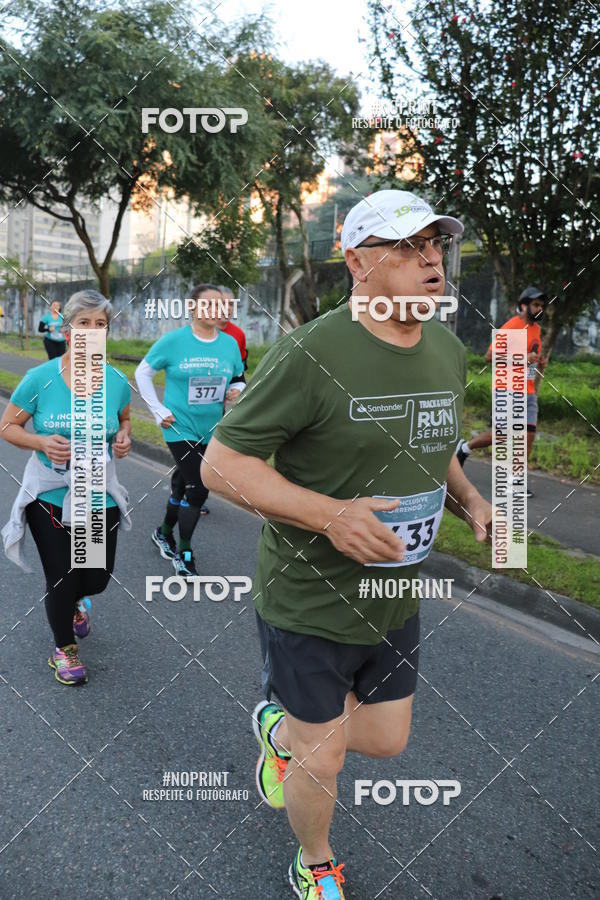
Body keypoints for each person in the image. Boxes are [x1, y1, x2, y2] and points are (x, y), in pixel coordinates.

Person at [201, 190, 493, 899]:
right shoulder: (311, 352)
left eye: (436, 246)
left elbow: (432, 443)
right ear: (358, 262)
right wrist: (330, 516)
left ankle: (281, 730)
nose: (430, 260)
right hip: (309, 598)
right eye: (406, 247)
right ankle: (316, 861)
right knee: (322, 758)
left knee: (388, 740)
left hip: (395, 593)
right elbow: (222, 465)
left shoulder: (448, 350)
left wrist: (471, 499)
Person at [1, 290, 132, 686]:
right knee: (62, 576)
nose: (92, 331)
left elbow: (123, 421)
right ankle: (64, 647)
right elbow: (8, 427)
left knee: (96, 577)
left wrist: (124, 438)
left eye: (100, 324)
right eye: (84, 323)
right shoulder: (39, 379)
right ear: (67, 328)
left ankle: (78, 602)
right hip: (51, 493)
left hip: (96, 490)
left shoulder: (116, 381)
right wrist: (41, 442)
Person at [135, 282, 246, 577]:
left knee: (183, 485)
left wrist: (235, 390)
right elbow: (143, 372)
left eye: (220, 305)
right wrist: (158, 410)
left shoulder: (229, 344)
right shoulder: (173, 342)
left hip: (211, 428)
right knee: (198, 487)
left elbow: (238, 377)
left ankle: (162, 533)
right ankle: (184, 553)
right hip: (179, 425)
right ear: (193, 307)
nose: (216, 310)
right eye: (208, 304)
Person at [455, 286, 547, 498]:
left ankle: (515, 482)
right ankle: (465, 447)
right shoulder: (511, 327)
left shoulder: (537, 330)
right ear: (524, 306)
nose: (539, 308)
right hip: (507, 389)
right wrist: (521, 359)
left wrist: (540, 364)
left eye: (541, 305)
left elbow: (531, 360)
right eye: (535, 304)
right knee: (503, 435)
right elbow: (489, 356)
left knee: (528, 435)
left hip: (529, 391)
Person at [217, 285, 248, 370]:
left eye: (230, 304)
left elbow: (240, 368)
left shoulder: (239, 334)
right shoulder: (199, 331)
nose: (227, 308)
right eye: (222, 303)